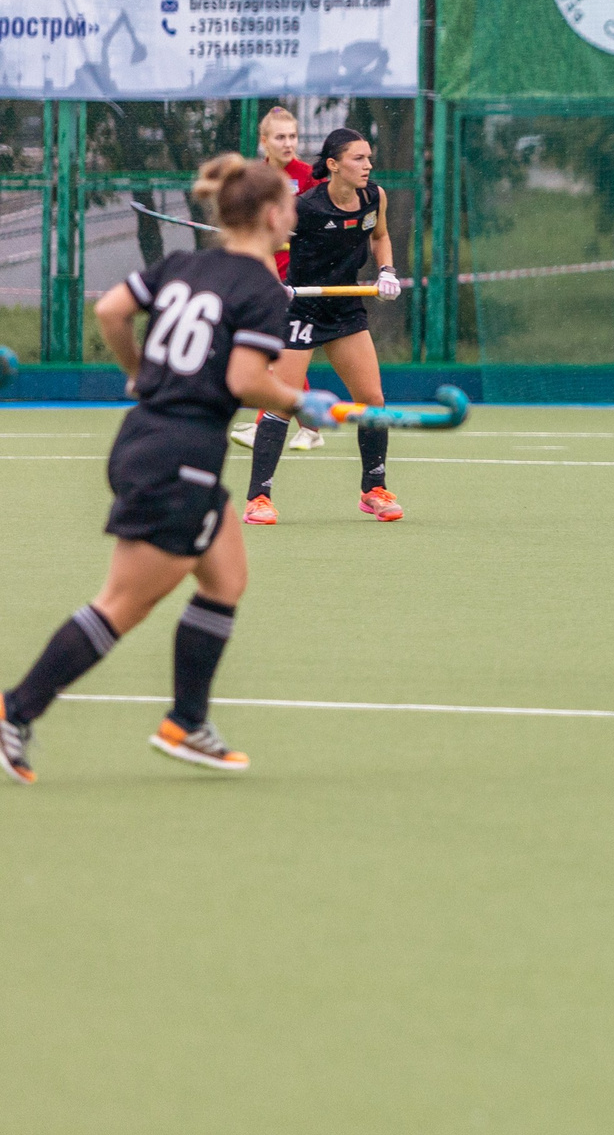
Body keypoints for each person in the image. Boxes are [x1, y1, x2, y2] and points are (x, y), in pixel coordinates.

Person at [2, 153, 342, 785]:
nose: (295, 212)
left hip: (152, 442)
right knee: (121, 605)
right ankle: (14, 710)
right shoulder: (262, 290)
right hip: (178, 457)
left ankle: (187, 722)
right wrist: (301, 402)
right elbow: (245, 379)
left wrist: (137, 371)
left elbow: (111, 311)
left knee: (225, 577)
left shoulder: (185, 264)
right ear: (270, 215)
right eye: (290, 205)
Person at [243, 127, 403, 523]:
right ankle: (257, 499)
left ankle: (373, 490)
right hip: (302, 310)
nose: (367, 166)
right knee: (281, 402)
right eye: (358, 159)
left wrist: (386, 270)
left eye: (368, 158)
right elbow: (263, 245)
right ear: (333, 165)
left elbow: (380, 236)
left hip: (345, 309)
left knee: (373, 401)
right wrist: (275, 286)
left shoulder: (373, 197)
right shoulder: (304, 208)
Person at [230, 104, 326, 453]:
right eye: (280, 137)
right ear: (264, 141)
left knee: (281, 349)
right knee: (281, 350)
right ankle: (310, 426)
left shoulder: (310, 175)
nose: (288, 143)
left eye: (293, 136)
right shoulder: (255, 178)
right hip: (267, 272)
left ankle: (268, 424)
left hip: (299, 275)